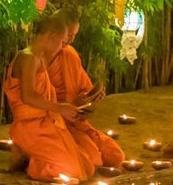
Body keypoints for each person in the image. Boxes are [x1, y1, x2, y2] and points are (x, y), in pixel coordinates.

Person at [5, 17, 94, 181]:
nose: (62, 47)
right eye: (61, 42)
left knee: (87, 166)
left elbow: (44, 98)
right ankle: (29, 160)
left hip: (46, 122)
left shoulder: (39, 59)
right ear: (51, 36)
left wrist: (71, 107)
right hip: (30, 126)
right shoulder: (28, 57)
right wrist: (60, 108)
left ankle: (32, 157)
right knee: (71, 172)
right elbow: (28, 96)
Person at [46, 11, 125, 168]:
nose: (70, 39)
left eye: (74, 35)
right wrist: (66, 107)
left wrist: (92, 97)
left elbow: (84, 88)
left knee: (116, 156)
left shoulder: (70, 55)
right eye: (68, 34)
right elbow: (34, 101)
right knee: (92, 159)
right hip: (54, 122)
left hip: (75, 121)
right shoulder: (37, 59)